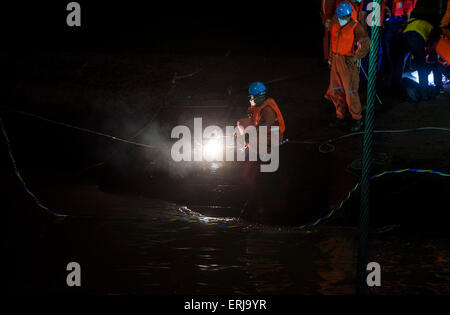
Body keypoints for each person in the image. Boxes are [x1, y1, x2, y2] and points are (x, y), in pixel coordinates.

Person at [327, 2, 371, 132]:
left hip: (348, 62)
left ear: (348, 15)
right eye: (339, 17)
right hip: (336, 60)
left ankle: (357, 118)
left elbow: (366, 44)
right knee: (336, 90)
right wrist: (330, 59)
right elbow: (333, 42)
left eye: (343, 17)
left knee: (350, 92)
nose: (340, 19)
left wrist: (356, 57)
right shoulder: (335, 25)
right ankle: (340, 116)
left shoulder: (356, 27)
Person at [402, 17, 435, 101]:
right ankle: (424, 95)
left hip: (403, 38)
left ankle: (399, 92)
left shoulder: (411, 20)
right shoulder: (431, 27)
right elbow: (430, 44)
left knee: (400, 67)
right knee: (422, 67)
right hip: (416, 38)